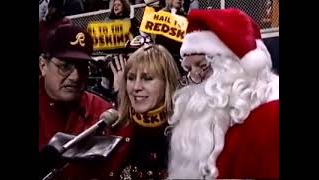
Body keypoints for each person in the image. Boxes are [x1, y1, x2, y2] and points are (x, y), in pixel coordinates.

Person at [167, 8, 279, 179]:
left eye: (203, 66)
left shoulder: (271, 117)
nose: (195, 77)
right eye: (188, 69)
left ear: (233, 67)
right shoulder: (214, 120)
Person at [75, 44, 180, 180]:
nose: (136, 87)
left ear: (167, 82)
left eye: (147, 78)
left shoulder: (183, 131)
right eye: (130, 78)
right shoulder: (112, 126)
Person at [39, 24, 113, 150]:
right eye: (65, 66)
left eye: (83, 67)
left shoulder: (104, 112)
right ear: (43, 66)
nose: (76, 77)